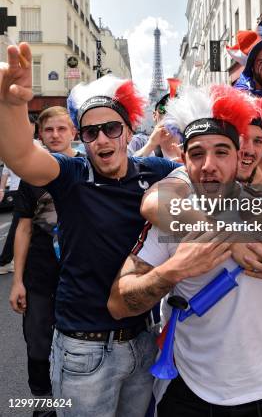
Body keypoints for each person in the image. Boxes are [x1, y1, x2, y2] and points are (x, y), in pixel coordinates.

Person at [108, 85, 262, 417]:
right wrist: (173, 271)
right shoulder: (173, 213)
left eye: (222, 152)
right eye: (197, 154)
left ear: (239, 156)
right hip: (190, 393)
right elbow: (118, 303)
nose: (209, 165)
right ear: (183, 160)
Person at [0, 42, 179, 417]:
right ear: (81, 140)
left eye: (111, 128)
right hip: (84, 349)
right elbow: (20, 156)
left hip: (142, 342)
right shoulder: (72, 176)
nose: (101, 139)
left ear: (128, 132)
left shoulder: (155, 173)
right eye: (90, 132)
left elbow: (213, 183)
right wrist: (12, 105)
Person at [9, 106, 78, 417]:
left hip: (79, 274)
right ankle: (43, 403)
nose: (55, 135)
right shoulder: (30, 177)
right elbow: (22, 229)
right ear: (40, 134)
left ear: (73, 133)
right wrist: (17, 281)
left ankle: (75, 400)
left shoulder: (86, 169)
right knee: (37, 342)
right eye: (49, 130)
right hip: (39, 274)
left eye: (62, 129)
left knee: (80, 342)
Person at [0, 113, 37, 274]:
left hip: (29, 190)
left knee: (27, 226)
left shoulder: (34, 145)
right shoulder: (19, 146)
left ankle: (14, 258)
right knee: (20, 227)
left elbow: (5, 172)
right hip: (20, 191)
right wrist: (1, 189)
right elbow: (6, 171)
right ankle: (5, 261)